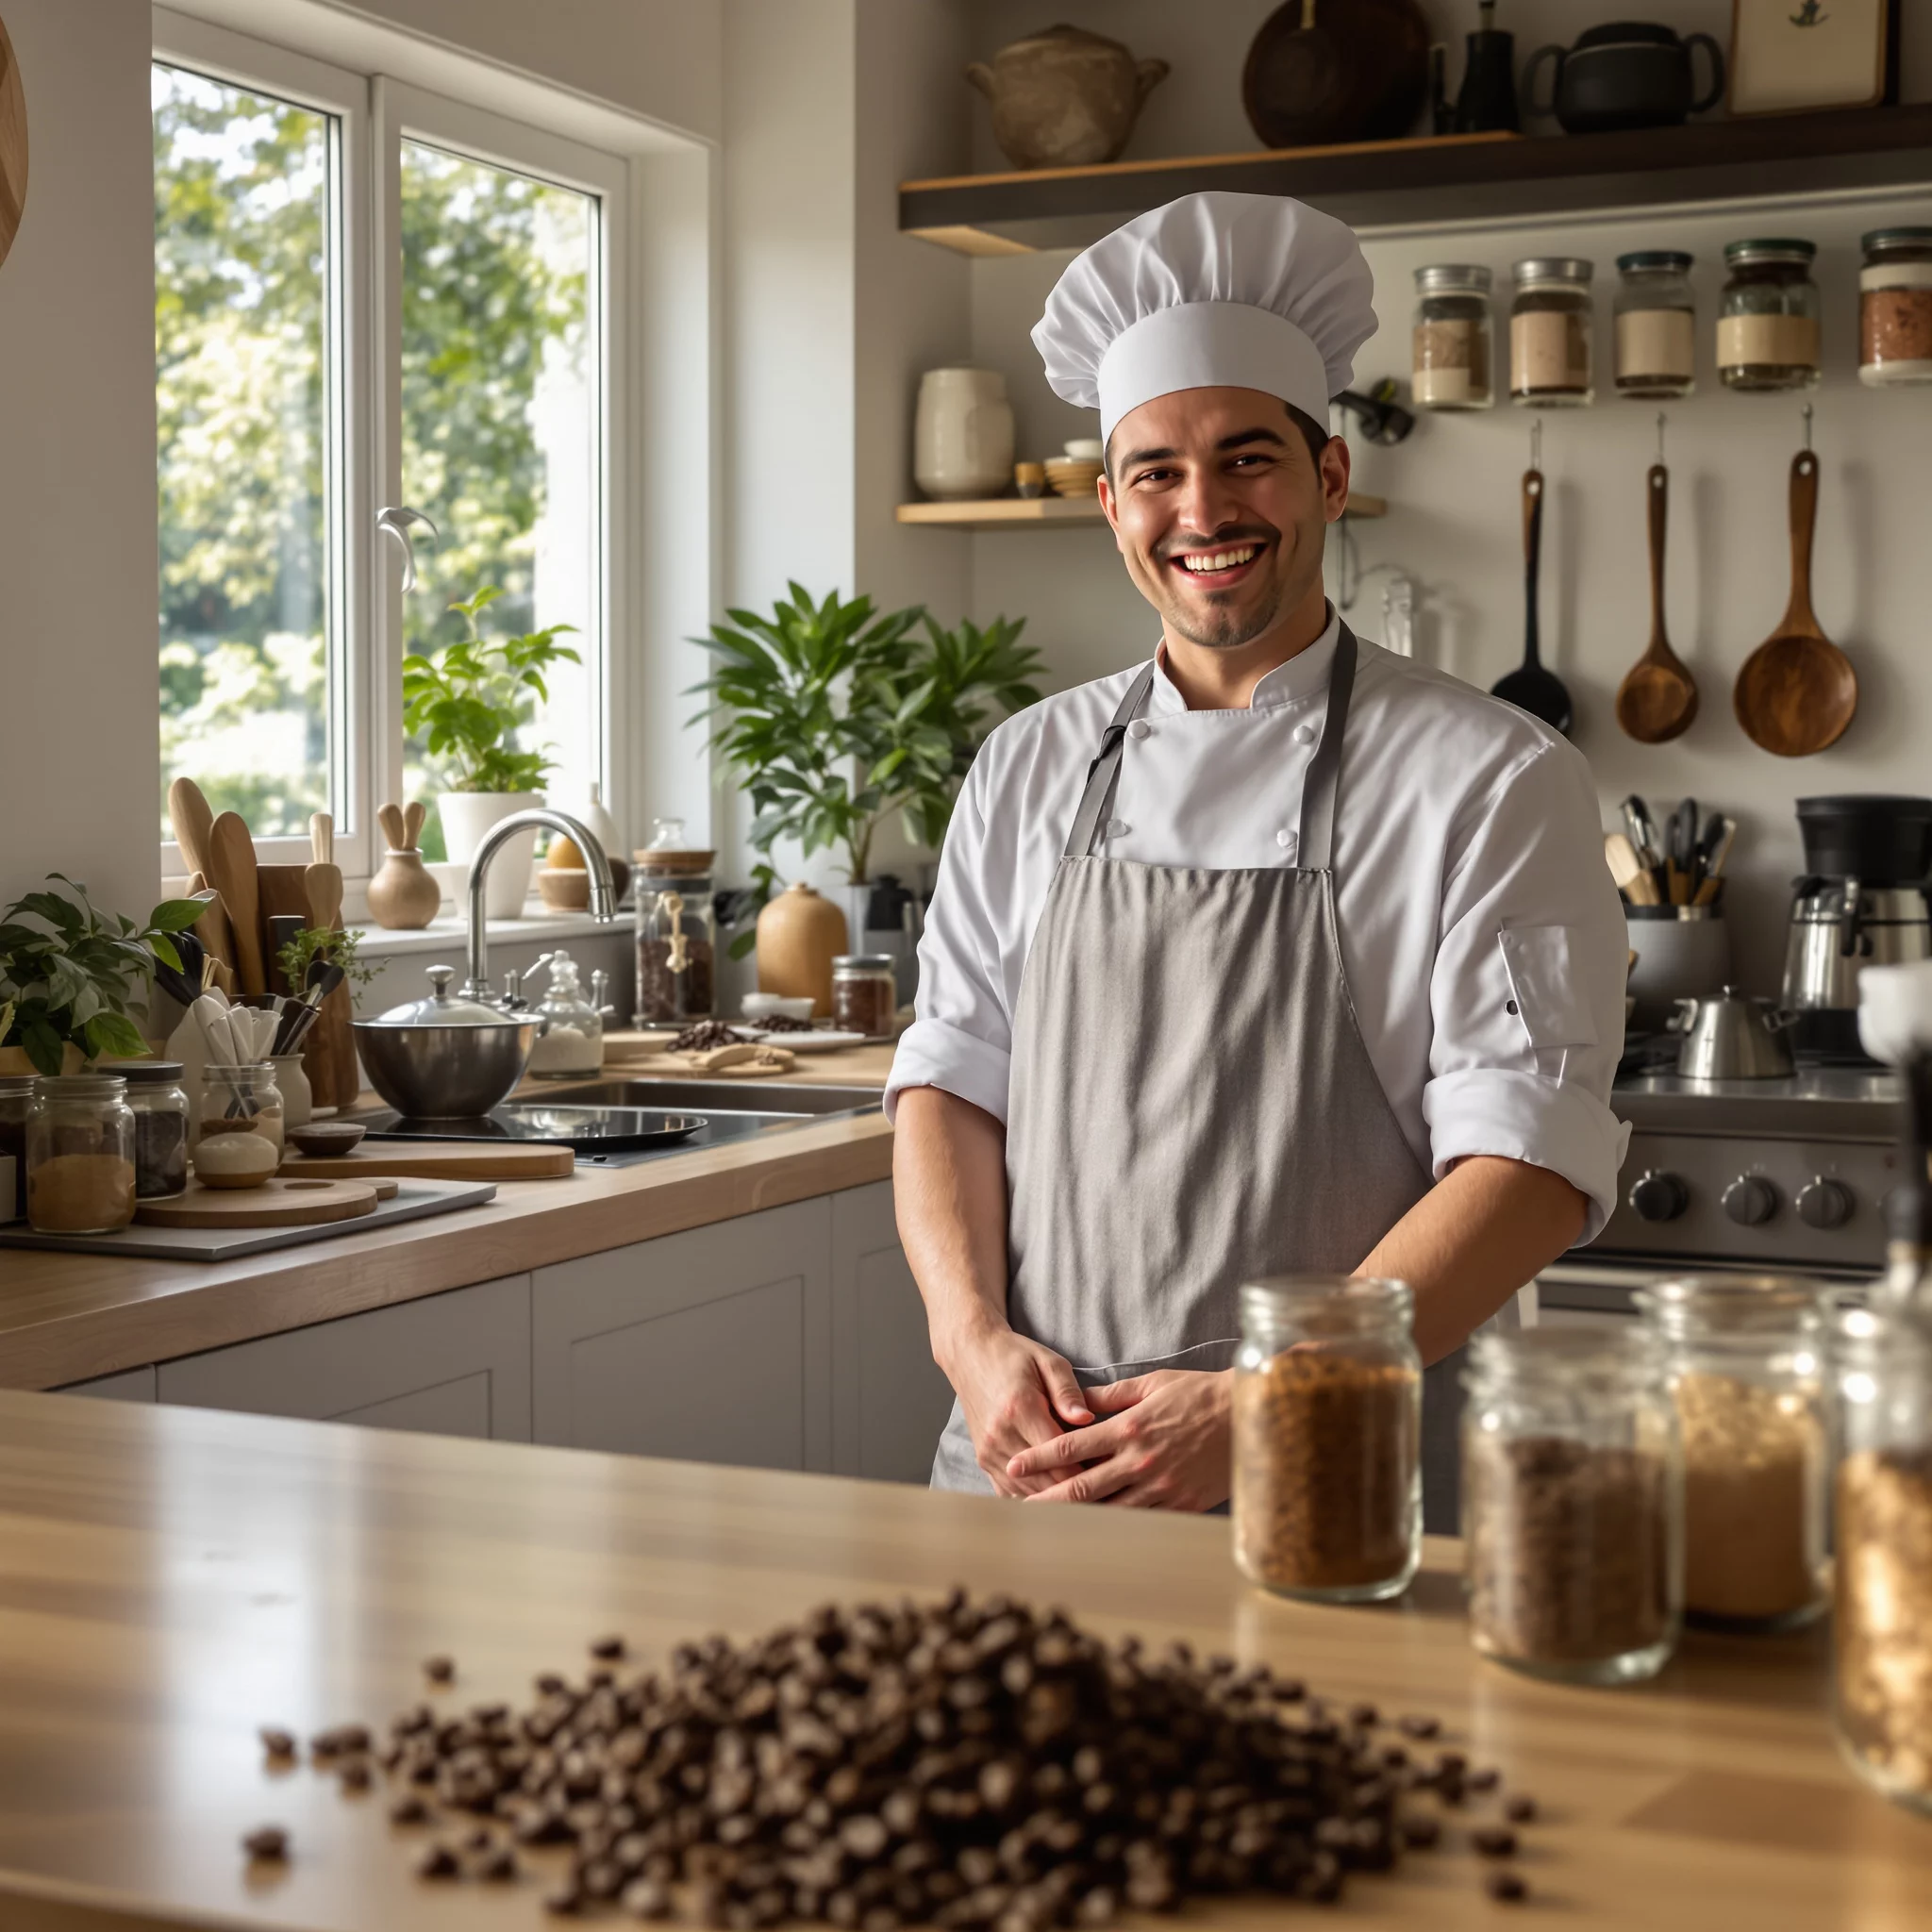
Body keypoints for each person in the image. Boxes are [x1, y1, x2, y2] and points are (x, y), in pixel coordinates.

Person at [887, 192, 1627, 1511]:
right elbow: (949, 1079)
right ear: (1109, 504)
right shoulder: (1026, 765)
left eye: (1248, 458)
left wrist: (1276, 1399)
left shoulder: (1492, 776)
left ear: (1329, 476)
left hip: (1336, 1476)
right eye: (1156, 473)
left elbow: (1529, 1162)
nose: (1203, 509)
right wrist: (971, 1343)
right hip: (1033, 1466)